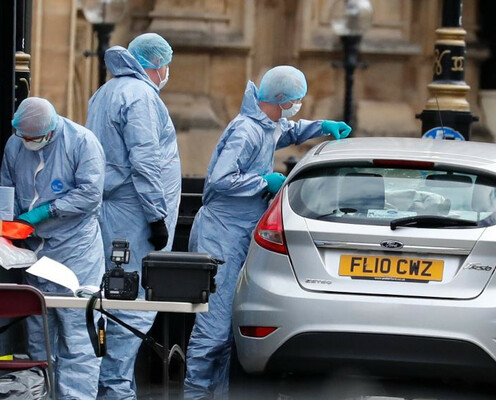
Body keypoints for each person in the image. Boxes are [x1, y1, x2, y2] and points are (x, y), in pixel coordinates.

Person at [184, 65, 352, 399]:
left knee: (228, 333)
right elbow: (219, 179)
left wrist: (322, 128)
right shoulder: (245, 131)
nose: (298, 106)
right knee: (213, 332)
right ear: (282, 99)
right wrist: (264, 181)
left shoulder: (267, 124)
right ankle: (196, 393)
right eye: (297, 100)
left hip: (237, 234)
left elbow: (288, 131)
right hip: (221, 235)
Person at [85, 32, 181, 399]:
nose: (166, 71)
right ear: (155, 65)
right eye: (165, 64)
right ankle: (115, 389)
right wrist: (157, 218)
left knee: (110, 298)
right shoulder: (140, 97)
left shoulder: (106, 91)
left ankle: (107, 385)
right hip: (134, 215)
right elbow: (145, 161)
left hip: (112, 212)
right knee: (130, 305)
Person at [1, 97, 106, 400]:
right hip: (35, 253)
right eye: (25, 138)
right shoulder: (15, 144)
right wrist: (7, 226)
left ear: (49, 131)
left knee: (78, 335)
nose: (29, 143)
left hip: (76, 251)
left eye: (34, 138)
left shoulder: (82, 143)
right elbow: (7, 188)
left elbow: (90, 194)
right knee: (40, 335)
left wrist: (44, 212)